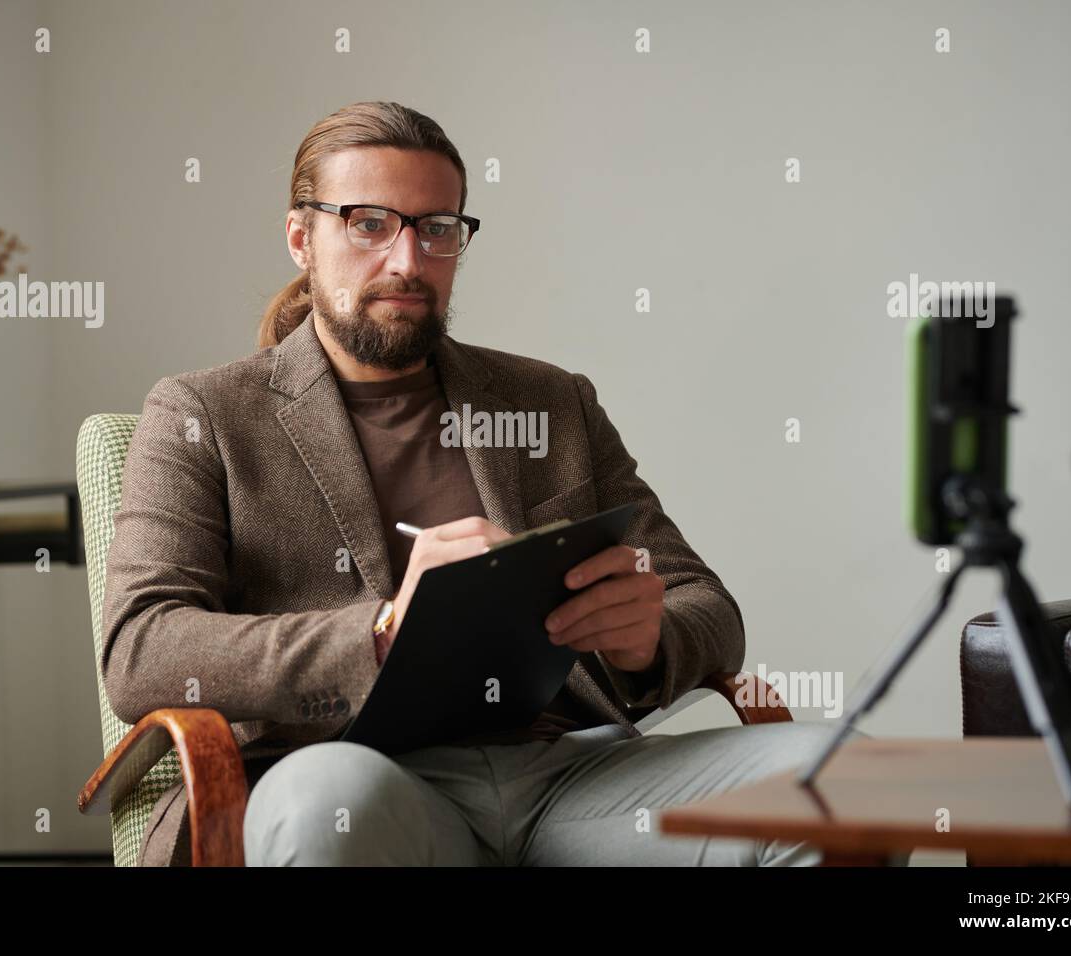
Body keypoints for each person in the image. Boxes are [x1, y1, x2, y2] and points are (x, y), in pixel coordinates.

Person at [102, 101, 868, 867]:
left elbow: (706, 605)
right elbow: (141, 649)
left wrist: (650, 641)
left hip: (575, 779)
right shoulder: (202, 413)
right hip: (359, 774)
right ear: (302, 237)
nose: (407, 260)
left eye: (436, 228)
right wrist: (379, 631)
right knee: (324, 806)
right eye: (369, 223)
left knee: (842, 777)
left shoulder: (550, 402)